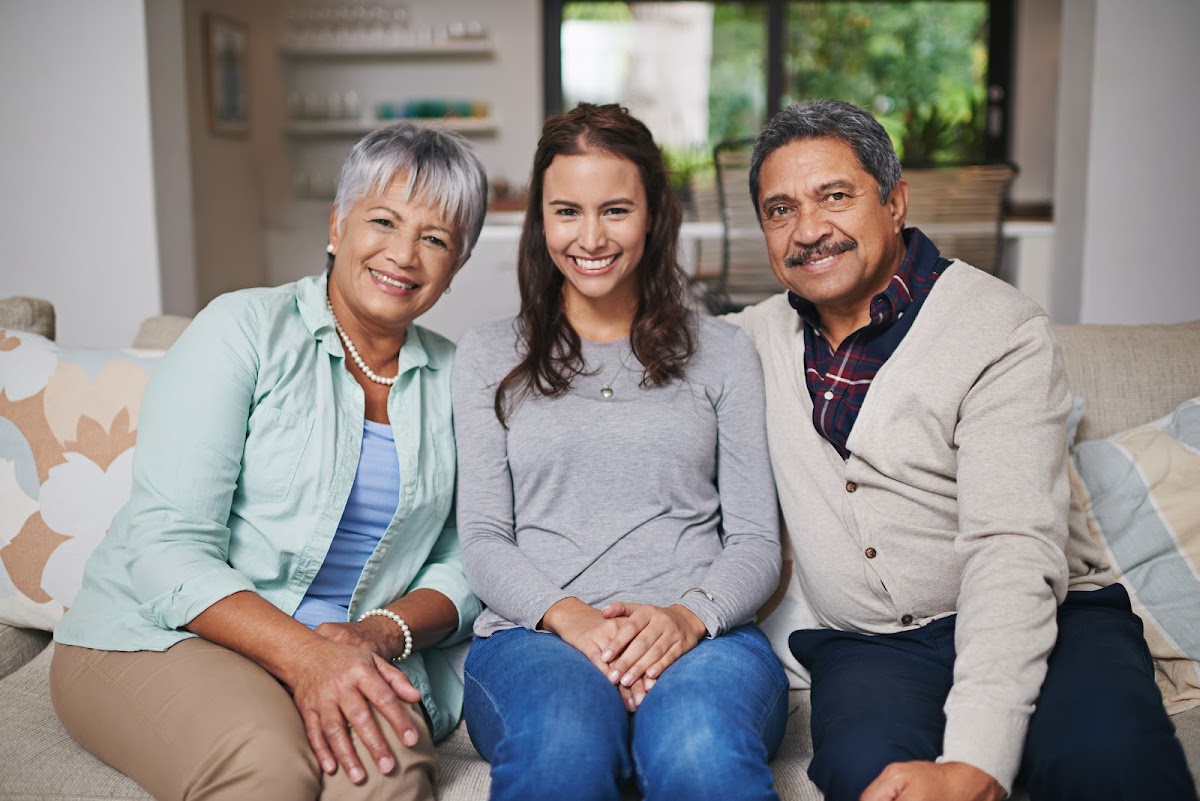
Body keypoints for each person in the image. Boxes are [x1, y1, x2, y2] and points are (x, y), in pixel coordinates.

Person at [726, 98, 1199, 801]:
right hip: (872, 647)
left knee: (1110, 760)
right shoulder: (750, 341)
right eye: (780, 209)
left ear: (894, 202)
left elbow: (1013, 548)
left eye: (835, 196)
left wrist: (976, 759)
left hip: (1052, 622)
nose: (809, 230)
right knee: (871, 779)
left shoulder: (999, 329)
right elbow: (631, 358)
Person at [50, 122, 489, 801]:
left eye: (434, 238)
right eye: (383, 221)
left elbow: (466, 555)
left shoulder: (461, 381)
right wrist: (305, 656)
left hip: (350, 649)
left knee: (389, 775)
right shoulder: (242, 331)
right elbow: (167, 547)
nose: (404, 254)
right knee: (268, 769)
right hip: (164, 633)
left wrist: (381, 630)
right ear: (337, 225)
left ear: (455, 266)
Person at [452, 103, 789, 801]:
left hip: (704, 640)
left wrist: (684, 619)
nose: (590, 236)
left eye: (615, 210)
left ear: (654, 214)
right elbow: (484, 540)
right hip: (534, 637)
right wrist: (571, 618)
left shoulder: (724, 352)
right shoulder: (487, 355)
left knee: (700, 749)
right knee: (562, 747)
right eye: (567, 211)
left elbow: (756, 540)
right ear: (541, 220)